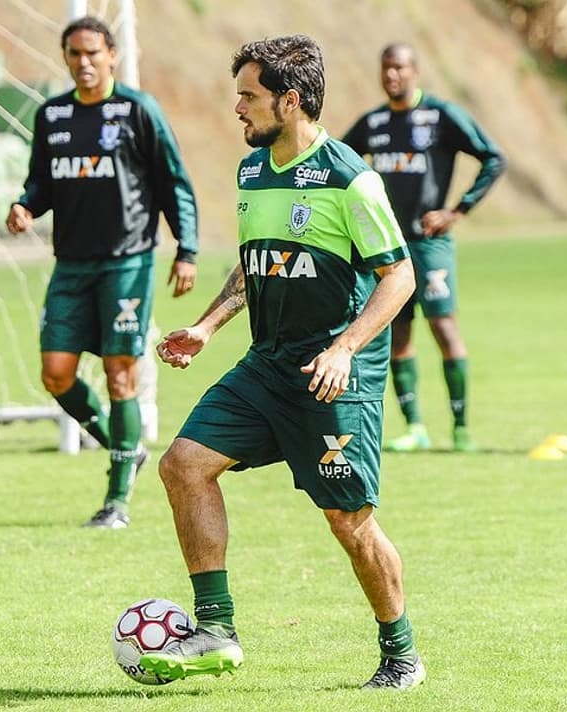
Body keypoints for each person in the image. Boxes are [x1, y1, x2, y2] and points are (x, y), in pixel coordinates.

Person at [139, 35, 425, 690]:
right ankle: (214, 630)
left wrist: (345, 348)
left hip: (330, 379)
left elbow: (399, 275)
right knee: (184, 466)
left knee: (349, 523)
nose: (236, 108)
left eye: (249, 96)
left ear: (289, 100)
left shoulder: (350, 177)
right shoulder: (252, 172)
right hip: (266, 366)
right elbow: (256, 262)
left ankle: (401, 652)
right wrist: (208, 327)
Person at [5, 16, 199, 528]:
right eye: (74, 54)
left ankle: (116, 501)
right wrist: (25, 206)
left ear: (112, 54)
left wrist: (188, 249)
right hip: (70, 265)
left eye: (93, 53)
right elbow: (40, 184)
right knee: (56, 373)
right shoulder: (52, 115)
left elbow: (173, 182)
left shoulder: (138, 111)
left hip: (127, 262)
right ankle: (123, 447)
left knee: (120, 374)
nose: (84, 62)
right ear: (66, 59)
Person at [342, 42, 506, 453]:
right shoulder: (374, 122)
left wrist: (457, 210)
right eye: (385, 68)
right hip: (387, 247)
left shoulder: (440, 115)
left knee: (444, 328)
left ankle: (461, 426)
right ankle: (415, 427)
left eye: (398, 67)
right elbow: (340, 162)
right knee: (397, 331)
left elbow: (493, 158)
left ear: (415, 70)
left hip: (430, 245)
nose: (391, 75)